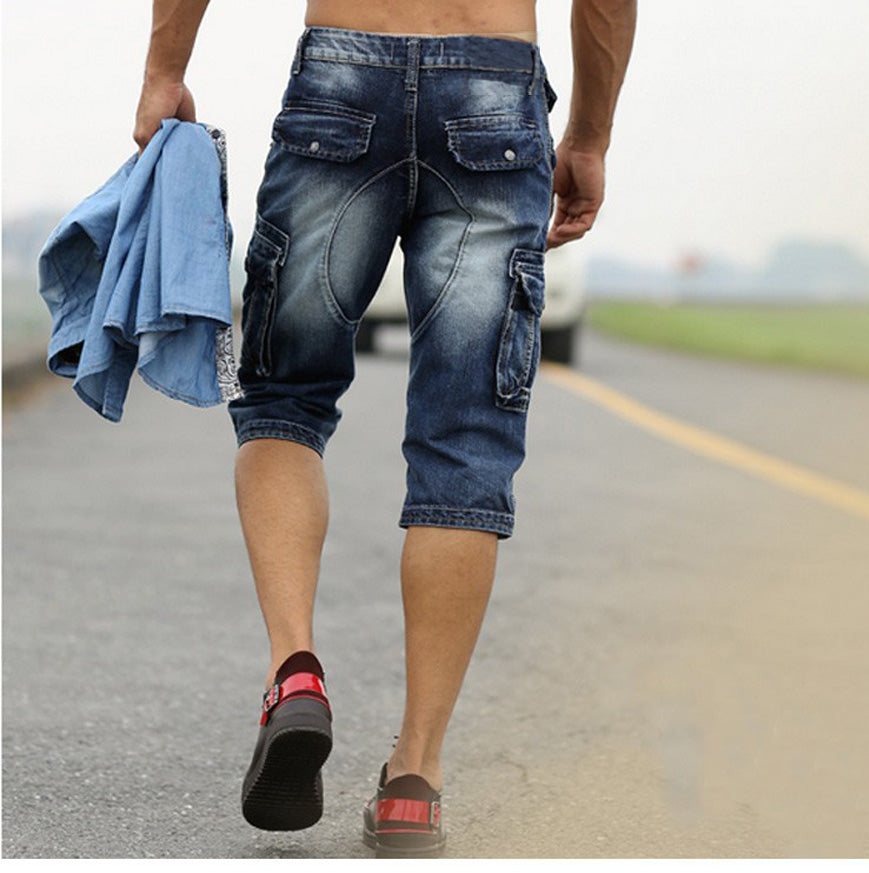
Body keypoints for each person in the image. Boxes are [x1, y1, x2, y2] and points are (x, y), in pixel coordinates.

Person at [134, 0, 636, 857]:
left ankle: (294, 671)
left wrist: (163, 70)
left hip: (343, 78)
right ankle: (415, 776)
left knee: (283, 401)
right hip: (494, 90)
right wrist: (587, 135)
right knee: (464, 444)